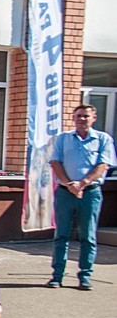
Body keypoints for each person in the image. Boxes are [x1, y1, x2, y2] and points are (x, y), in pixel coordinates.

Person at [47, 104, 116, 290]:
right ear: (73, 118)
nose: (81, 119)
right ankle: (57, 276)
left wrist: (82, 183)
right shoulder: (63, 138)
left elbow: (103, 165)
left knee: (88, 236)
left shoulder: (103, 139)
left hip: (90, 192)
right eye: (78, 116)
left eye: (86, 116)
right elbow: (55, 162)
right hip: (65, 193)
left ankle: (85, 276)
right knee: (61, 235)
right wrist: (70, 184)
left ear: (93, 118)